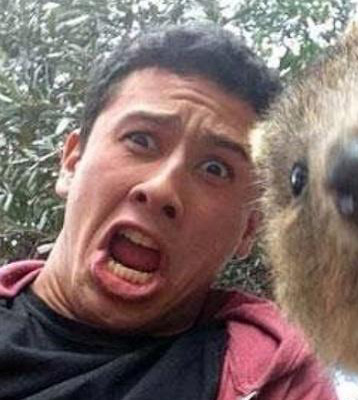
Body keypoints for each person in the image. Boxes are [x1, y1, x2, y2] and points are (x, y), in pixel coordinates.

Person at [0, 24, 337, 400]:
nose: (162, 189)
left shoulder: (282, 383)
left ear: (249, 229)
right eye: (140, 139)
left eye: (215, 169)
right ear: (72, 163)